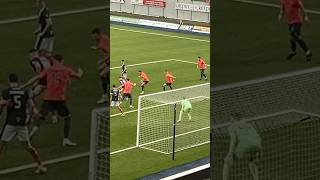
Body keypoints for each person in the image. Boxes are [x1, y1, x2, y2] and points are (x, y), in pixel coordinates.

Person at [22, 54, 84, 147]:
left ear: (54, 61)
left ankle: (30, 135)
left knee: (41, 117)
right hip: (60, 99)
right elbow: (78, 76)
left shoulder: (48, 70)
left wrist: (23, 86)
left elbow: (36, 78)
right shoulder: (66, 70)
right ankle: (66, 139)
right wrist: (80, 72)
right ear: (62, 60)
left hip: (48, 98)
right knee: (67, 117)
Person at [0, 74, 47, 174]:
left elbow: (2, 104)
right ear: (18, 80)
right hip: (22, 124)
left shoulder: (6, 92)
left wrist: (3, 105)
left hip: (10, 123)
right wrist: (36, 114)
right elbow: (32, 106)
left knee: (1, 145)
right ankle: (40, 165)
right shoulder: (25, 92)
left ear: (9, 81)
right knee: (28, 147)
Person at [223, 113, 261, 180]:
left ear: (232, 119)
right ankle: (256, 178)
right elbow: (258, 137)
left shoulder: (232, 127)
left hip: (244, 146)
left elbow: (233, 141)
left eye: (230, 119)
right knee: (251, 160)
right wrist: (259, 151)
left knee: (227, 162)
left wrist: (229, 154)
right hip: (256, 145)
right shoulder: (249, 125)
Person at [91, 28, 109, 104]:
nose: (94, 38)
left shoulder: (103, 40)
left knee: (102, 74)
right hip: (108, 60)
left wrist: (102, 61)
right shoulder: (102, 39)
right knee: (103, 73)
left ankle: (105, 97)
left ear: (99, 34)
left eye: (95, 36)